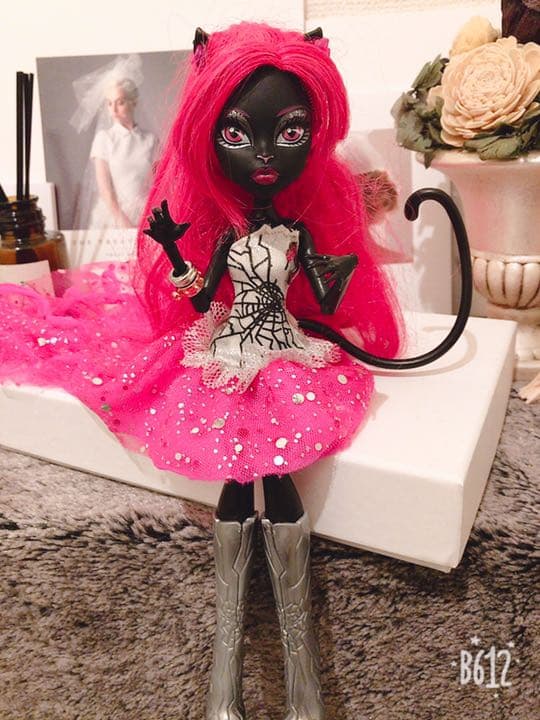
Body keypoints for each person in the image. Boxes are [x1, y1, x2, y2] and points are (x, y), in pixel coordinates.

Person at [0, 23, 470, 720]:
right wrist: (171, 250)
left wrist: (338, 269)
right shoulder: (224, 231)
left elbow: (326, 295)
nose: (264, 155)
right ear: (208, 137)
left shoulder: (298, 230)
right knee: (243, 479)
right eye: (237, 134)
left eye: (290, 133)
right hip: (228, 350)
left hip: (284, 351)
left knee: (274, 478)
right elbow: (199, 296)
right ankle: (226, 680)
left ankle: (302, 681)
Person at [88, 77, 157, 229]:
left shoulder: (150, 140)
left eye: (120, 102)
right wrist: (121, 219)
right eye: (109, 103)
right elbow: (105, 188)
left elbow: (157, 183)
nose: (113, 109)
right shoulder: (104, 139)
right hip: (114, 215)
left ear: (134, 102)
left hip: (146, 213)